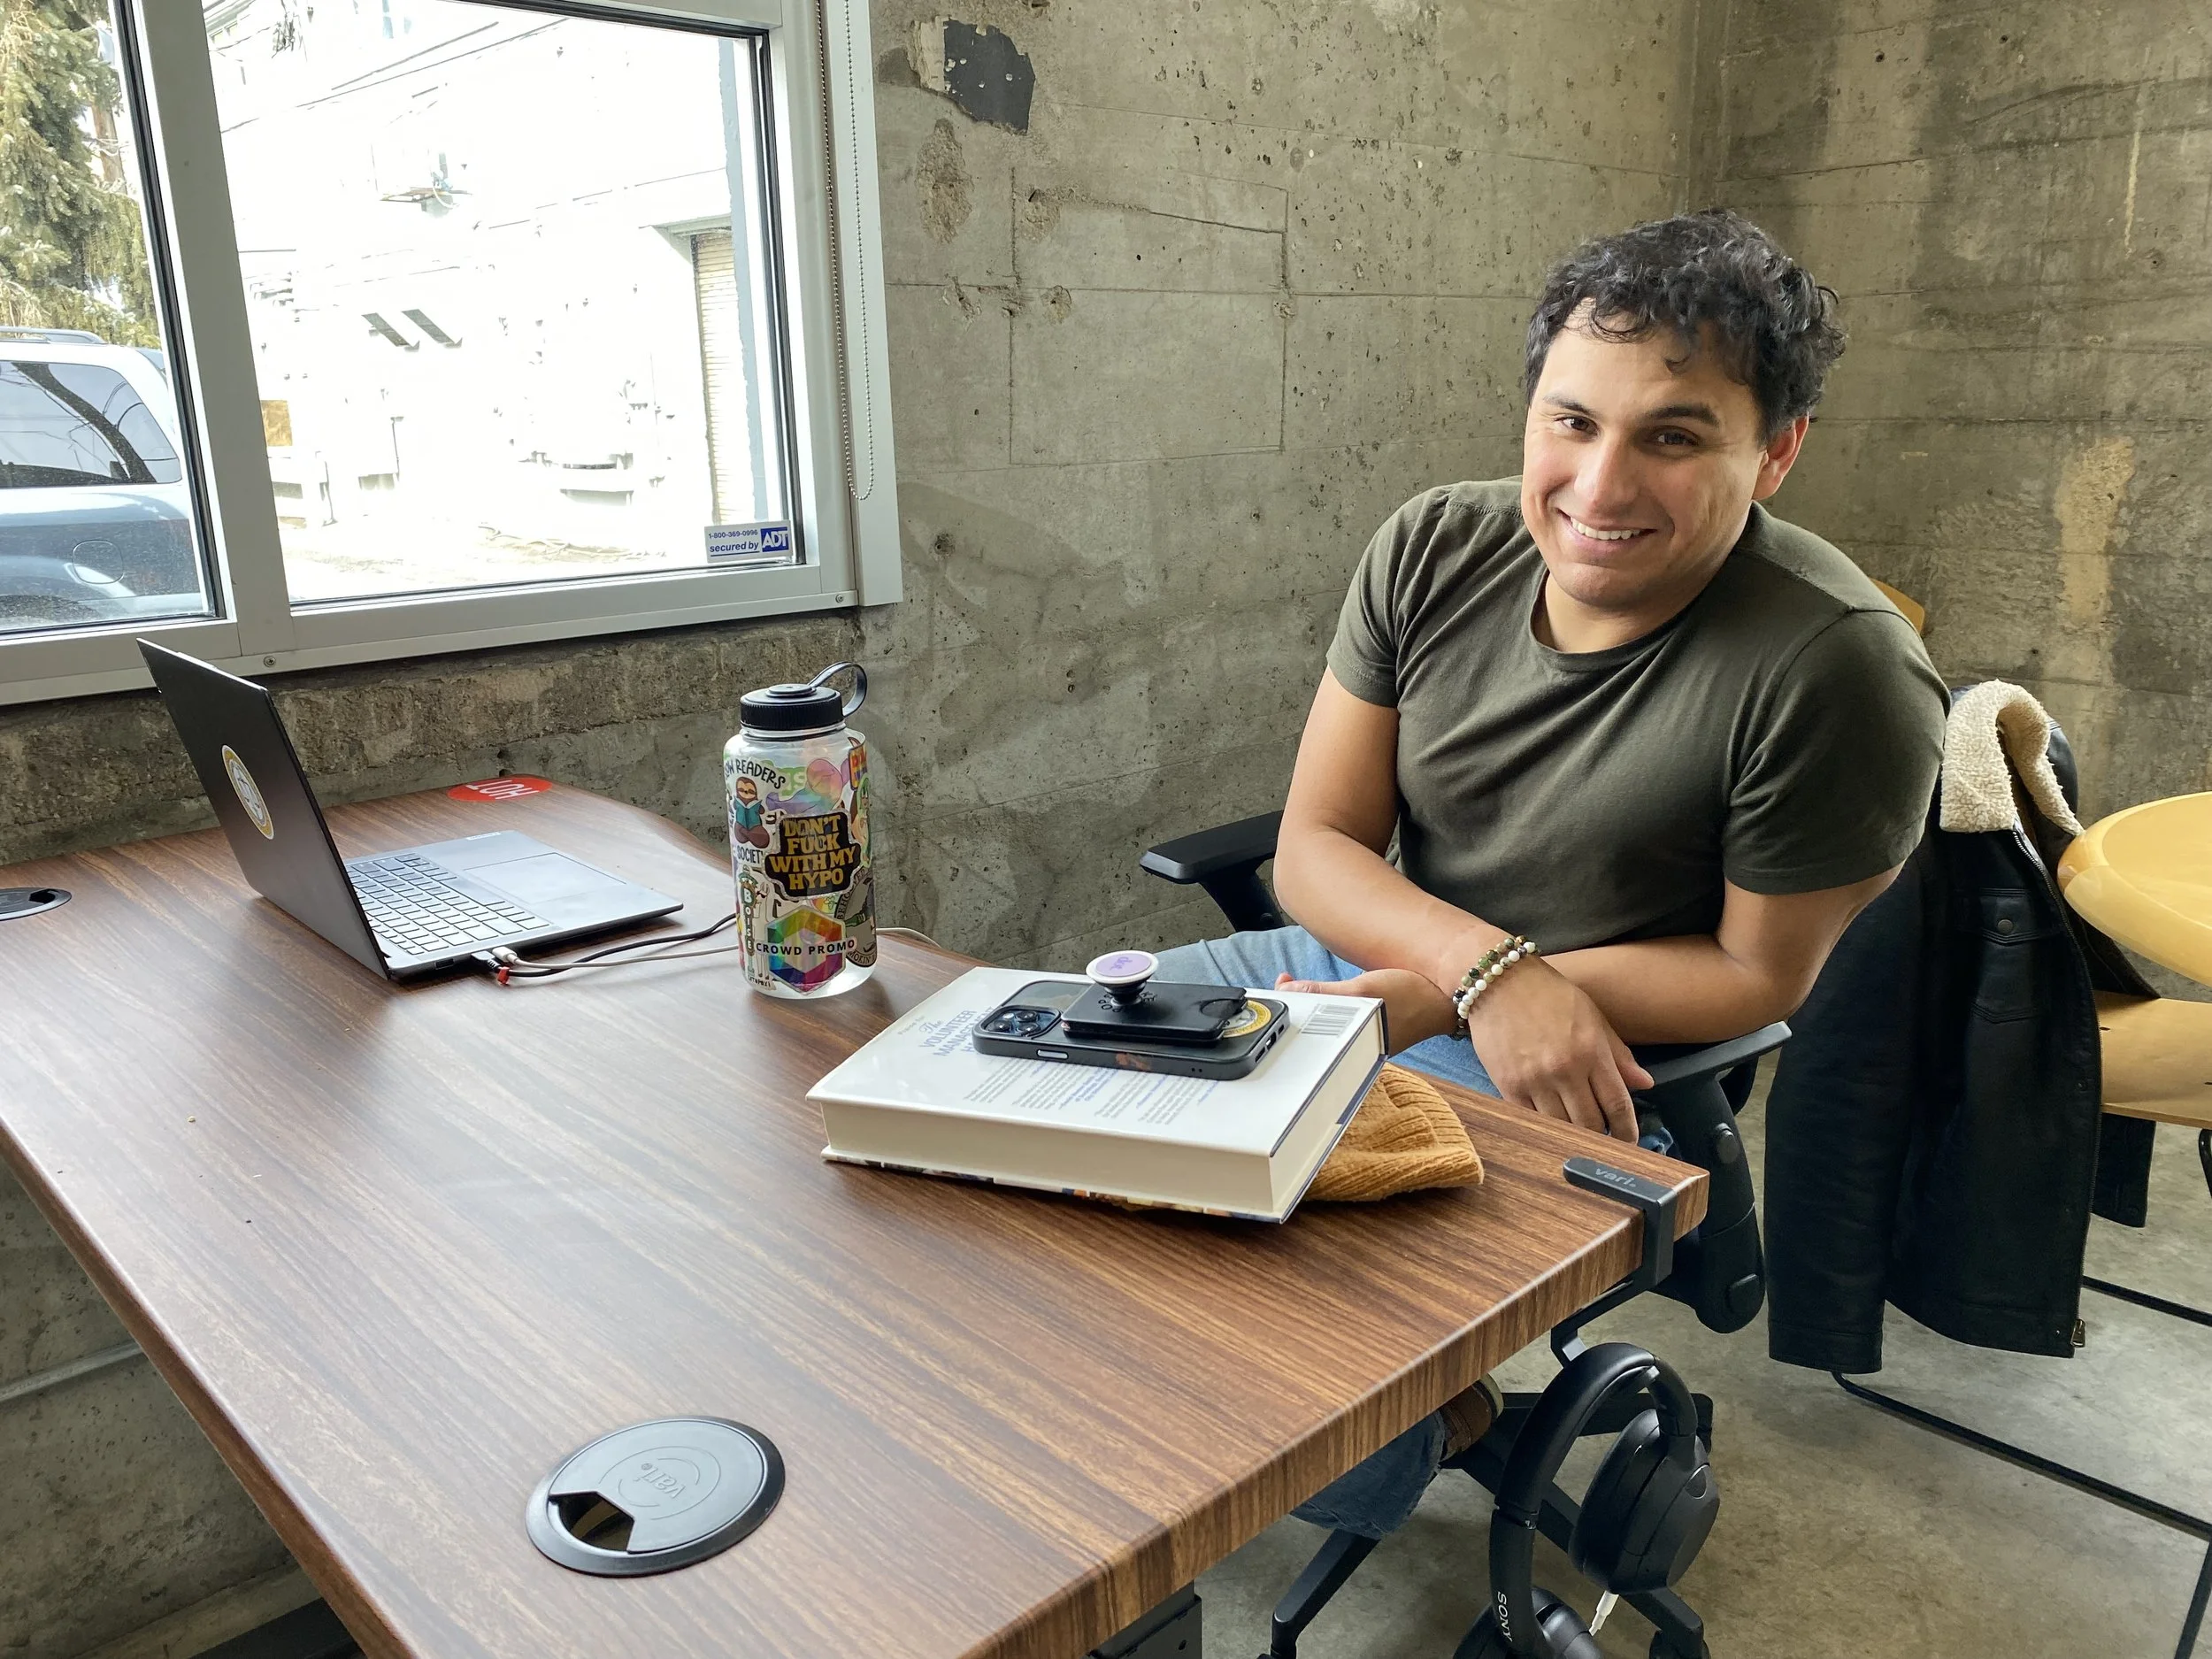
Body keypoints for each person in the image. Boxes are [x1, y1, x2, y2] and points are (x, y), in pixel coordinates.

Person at [1151, 208, 1948, 1539]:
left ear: (1777, 452)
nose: (1601, 485)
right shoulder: (1433, 547)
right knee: (1047, 1124)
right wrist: (1478, 970)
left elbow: (1757, 973)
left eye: (1674, 436)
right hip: (1394, 963)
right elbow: (1314, 845)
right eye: (1572, 421)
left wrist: (1478, 996)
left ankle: (1431, 1426)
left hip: (1600, 1052)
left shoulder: (1839, 667)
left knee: (1279, 1345)